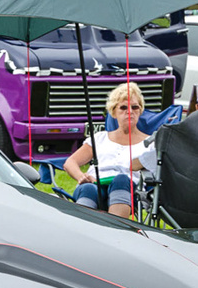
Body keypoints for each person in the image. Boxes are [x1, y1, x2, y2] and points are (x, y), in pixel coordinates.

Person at [62, 82, 147, 219]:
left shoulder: (149, 143)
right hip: (95, 186)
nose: (130, 111)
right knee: (88, 188)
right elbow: (70, 162)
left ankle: (115, 231)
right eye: (123, 107)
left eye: (135, 107)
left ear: (141, 110)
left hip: (129, 189)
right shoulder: (100, 138)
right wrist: (81, 177)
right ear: (114, 112)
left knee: (122, 179)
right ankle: (83, 232)